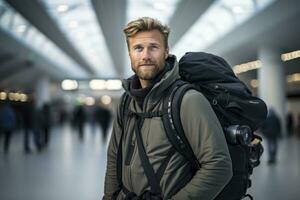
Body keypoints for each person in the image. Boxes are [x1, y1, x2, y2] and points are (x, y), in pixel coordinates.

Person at [103, 17, 232, 200]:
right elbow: (114, 157)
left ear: (166, 52)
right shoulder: (126, 101)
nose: (145, 55)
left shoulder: (187, 100)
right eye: (138, 48)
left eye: (153, 47)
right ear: (130, 54)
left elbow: (219, 165)